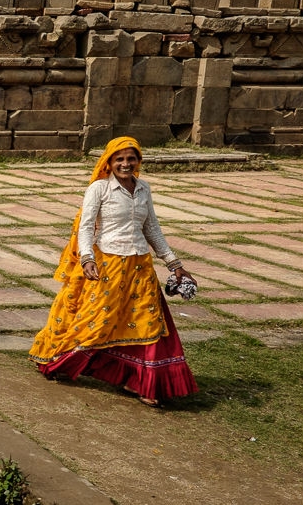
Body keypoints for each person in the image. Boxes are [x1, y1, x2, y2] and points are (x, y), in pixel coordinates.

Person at [30, 136, 199, 407]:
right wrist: (86, 259)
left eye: (131, 158)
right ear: (108, 162)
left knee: (148, 322)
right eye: (119, 159)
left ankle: (143, 383)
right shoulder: (99, 189)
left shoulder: (144, 189)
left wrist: (174, 263)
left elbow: (151, 228)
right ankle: (60, 359)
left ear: (138, 161)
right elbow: (86, 227)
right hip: (107, 265)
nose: (125, 164)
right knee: (97, 323)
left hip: (140, 266)